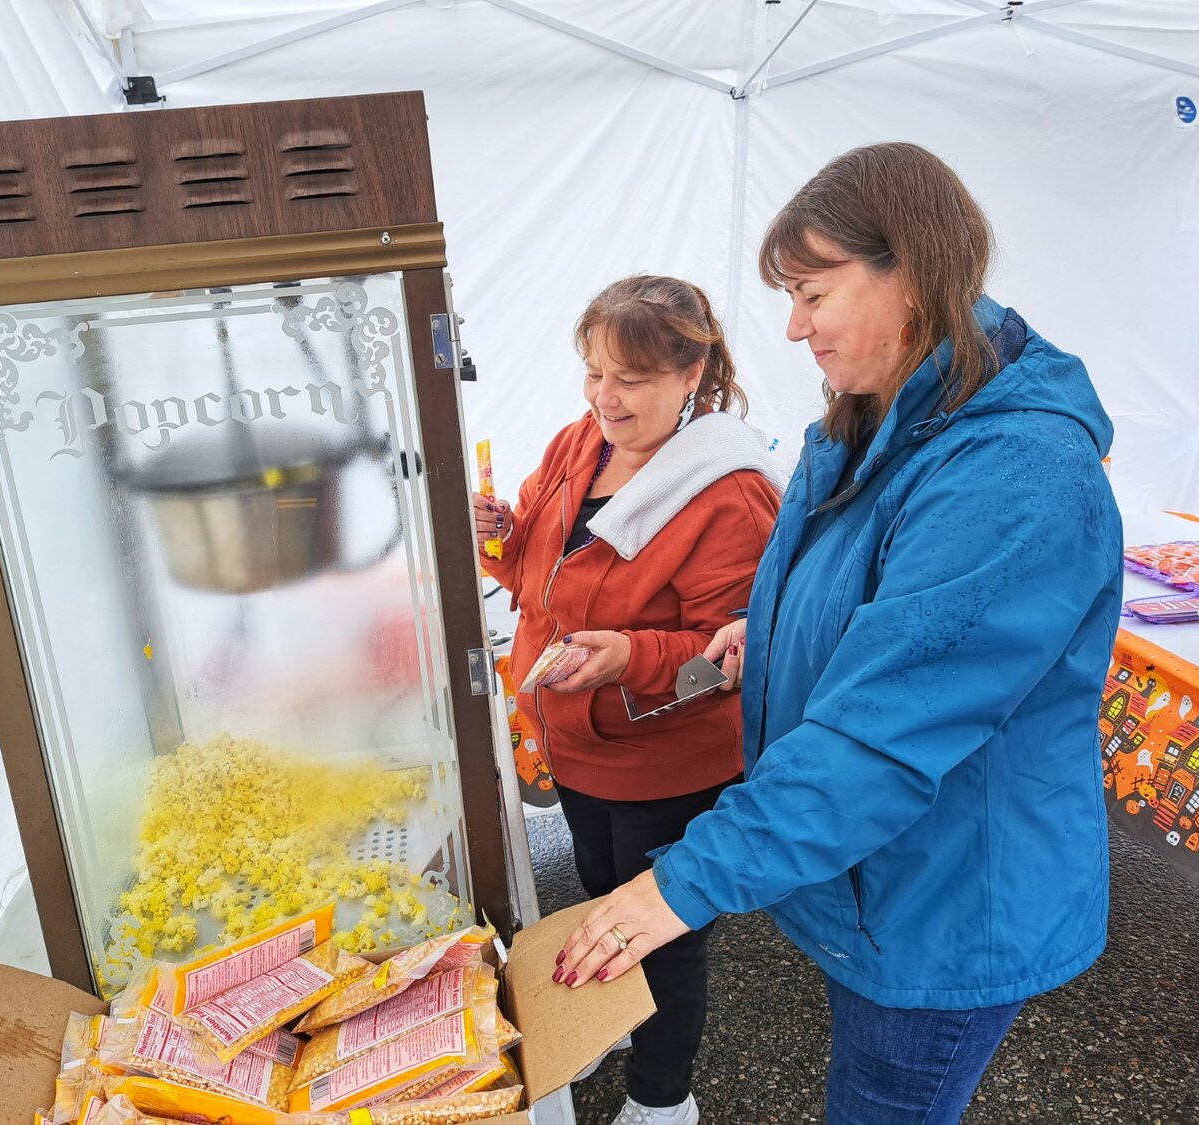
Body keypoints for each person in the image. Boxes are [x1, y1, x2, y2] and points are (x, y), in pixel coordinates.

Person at [555, 143, 1123, 1124]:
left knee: (885, 1100)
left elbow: (885, 732)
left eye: (813, 293)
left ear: (909, 270)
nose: (791, 326)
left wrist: (677, 887)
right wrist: (761, 635)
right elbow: (864, 608)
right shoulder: (874, 420)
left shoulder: (1009, 470)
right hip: (881, 878)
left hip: (948, 901)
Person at [474, 275, 781, 1125]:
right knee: (601, 894)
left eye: (631, 379)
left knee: (664, 935)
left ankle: (662, 1098)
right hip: (580, 745)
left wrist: (628, 656)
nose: (605, 398)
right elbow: (539, 574)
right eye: (594, 372)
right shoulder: (582, 443)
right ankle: (620, 1016)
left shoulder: (729, 488)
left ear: (693, 374)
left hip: (664, 760)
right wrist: (496, 534)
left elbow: (737, 651)